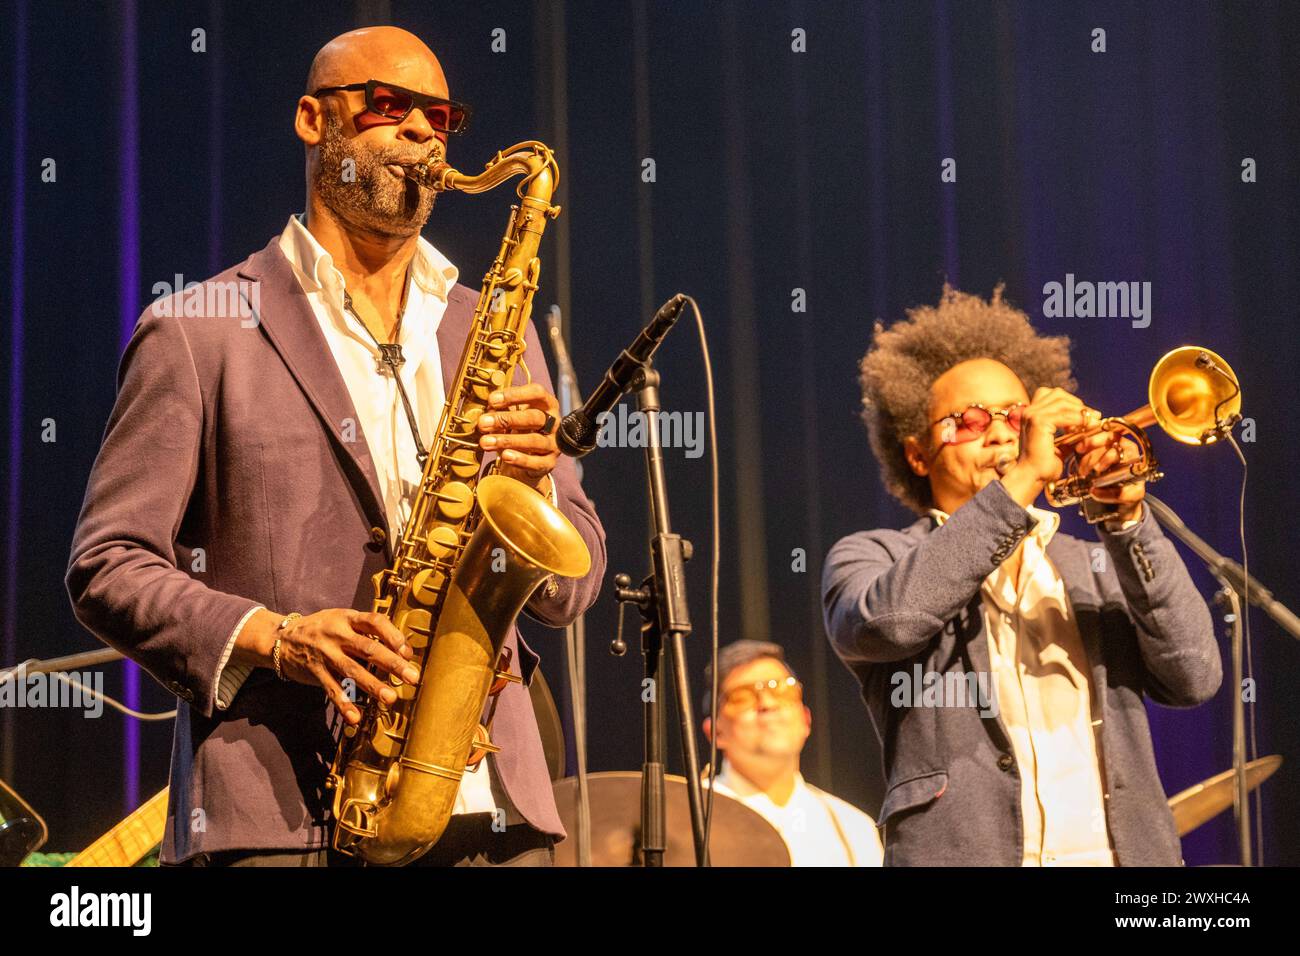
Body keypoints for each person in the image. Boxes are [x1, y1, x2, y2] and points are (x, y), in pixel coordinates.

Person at [65, 26, 606, 867]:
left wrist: (535, 489)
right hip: (283, 822)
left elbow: (572, 587)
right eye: (392, 107)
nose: (425, 134)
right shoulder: (196, 330)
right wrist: (276, 636)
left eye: (442, 117)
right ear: (315, 119)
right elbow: (108, 564)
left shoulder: (493, 326)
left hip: (490, 818)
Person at [821, 285, 1221, 866]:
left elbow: (1194, 675)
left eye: (1015, 416)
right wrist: (1027, 477)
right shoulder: (872, 557)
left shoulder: (1092, 564)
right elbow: (890, 623)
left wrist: (1128, 520)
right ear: (916, 453)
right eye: (971, 420)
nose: (1003, 434)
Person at [701, 640, 883, 866]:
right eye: (743, 697)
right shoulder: (688, 814)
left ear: (806, 720)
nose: (767, 703)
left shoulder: (854, 829)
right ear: (715, 732)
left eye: (782, 690)